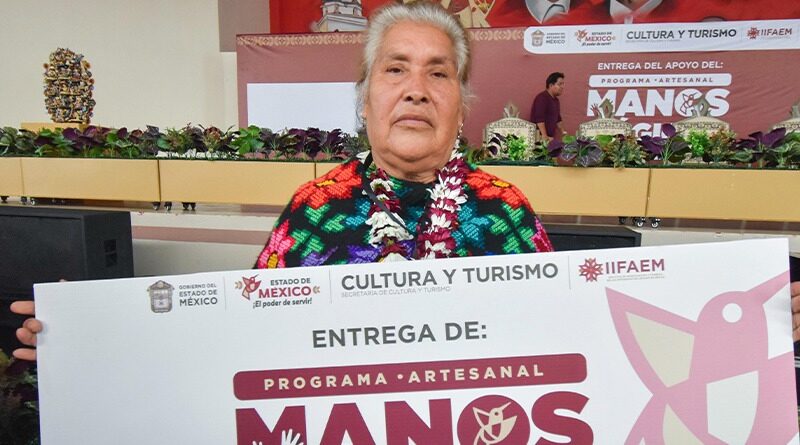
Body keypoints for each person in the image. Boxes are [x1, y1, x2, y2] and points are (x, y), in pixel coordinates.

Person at [11, 2, 554, 360]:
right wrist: (92, 334)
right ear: (364, 102)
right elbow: (244, 330)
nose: (416, 89)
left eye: (438, 72)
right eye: (395, 69)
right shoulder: (317, 206)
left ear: (462, 107)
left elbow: (560, 330)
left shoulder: (504, 209)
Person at [530, 72, 566, 143]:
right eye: (559, 84)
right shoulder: (542, 98)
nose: (562, 87)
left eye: (563, 84)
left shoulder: (556, 100)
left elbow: (558, 118)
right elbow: (539, 119)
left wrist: (563, 132)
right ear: (551, 85)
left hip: (549, 138)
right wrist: (544, 136)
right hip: (539, 139)